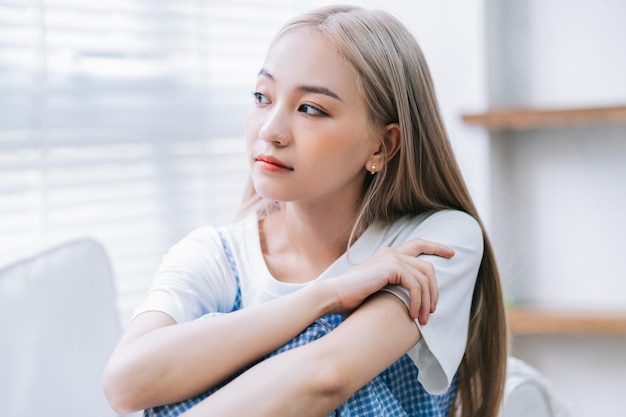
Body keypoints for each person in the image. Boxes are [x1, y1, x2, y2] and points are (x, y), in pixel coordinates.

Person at [103, 5, 507, 417]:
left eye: (310, 108)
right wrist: (325, 295)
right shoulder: (216, 254)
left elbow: (325, 379)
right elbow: (125, 384)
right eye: (262, 97)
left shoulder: (435, 242)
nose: (270, 131)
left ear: (382, 146)